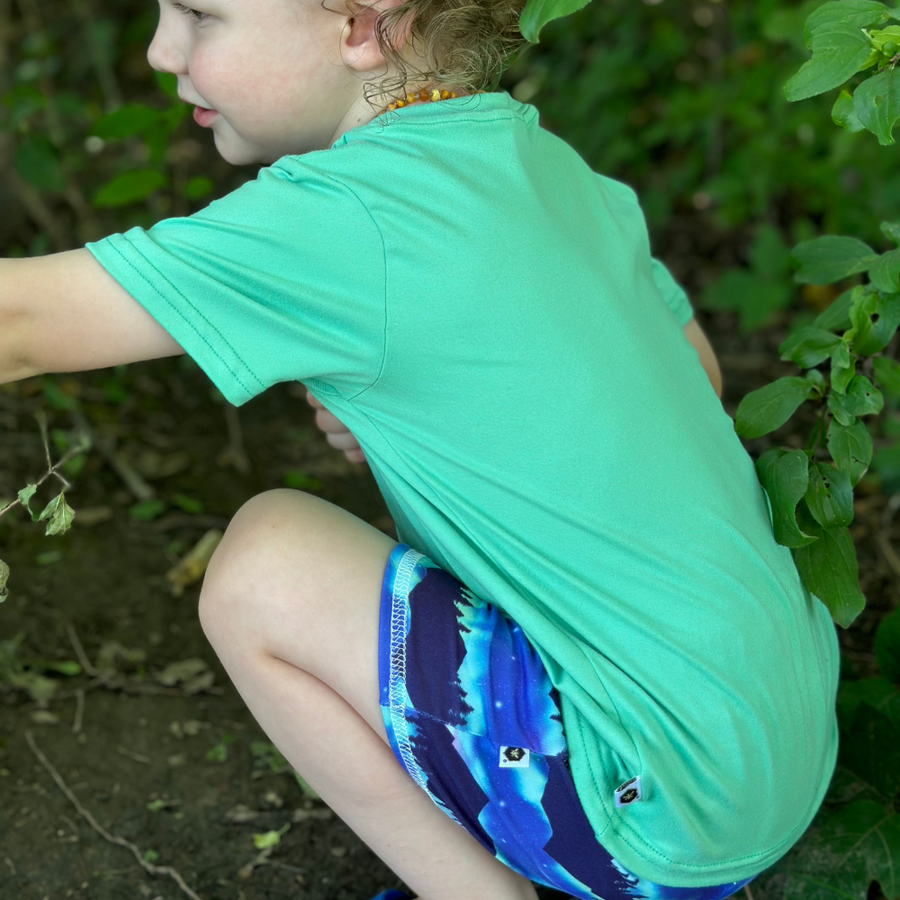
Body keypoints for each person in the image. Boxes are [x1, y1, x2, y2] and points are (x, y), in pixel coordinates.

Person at [0, 0, 840, 898]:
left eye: (202, 15)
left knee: (264, 565)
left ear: (363, 24)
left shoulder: (347, 213)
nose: (162, 48)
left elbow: (20, 325)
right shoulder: (550, 165)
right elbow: (693, 382)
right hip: (775, 748)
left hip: (648, 806)